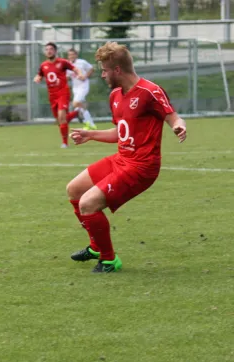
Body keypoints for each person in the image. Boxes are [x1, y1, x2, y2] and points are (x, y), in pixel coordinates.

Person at [66, 41, 187, 273]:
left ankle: (109, 260)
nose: (102, 75)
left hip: (142, 167)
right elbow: (121, 134)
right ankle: (96, 246)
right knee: (74, 189)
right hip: (122, 159)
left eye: (104, 70)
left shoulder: (150, 91)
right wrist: (91, 135)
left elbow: (173, 117)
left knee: (88, 204)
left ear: (117, 70)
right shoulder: (115, 96)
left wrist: (178, 127)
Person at [34, 42, 85, 148]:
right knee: (60, 120)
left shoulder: (62, 62)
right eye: (47, 49)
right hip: (52, 96)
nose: (49, 51)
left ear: (55, 51)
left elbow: (75, 68)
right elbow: (39, 75)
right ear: (45, 52)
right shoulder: (43, 65)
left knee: (62, 117)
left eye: (51, 49)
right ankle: (77, 113)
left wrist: (80, 74)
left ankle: (65, 143)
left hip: (62, 93)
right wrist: (37, 78)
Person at [66, 48, 97, 130]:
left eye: (73, 54)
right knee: (78, 108)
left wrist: (85, 76)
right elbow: (67, 77)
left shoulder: (81, 62)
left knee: (75, 103)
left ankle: (87, 122)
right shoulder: (68, 65)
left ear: (76, 55)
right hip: (75, 88)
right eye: (69, 55)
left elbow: (91, 69)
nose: (71, 56)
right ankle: (90, 123)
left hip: (83, 86)